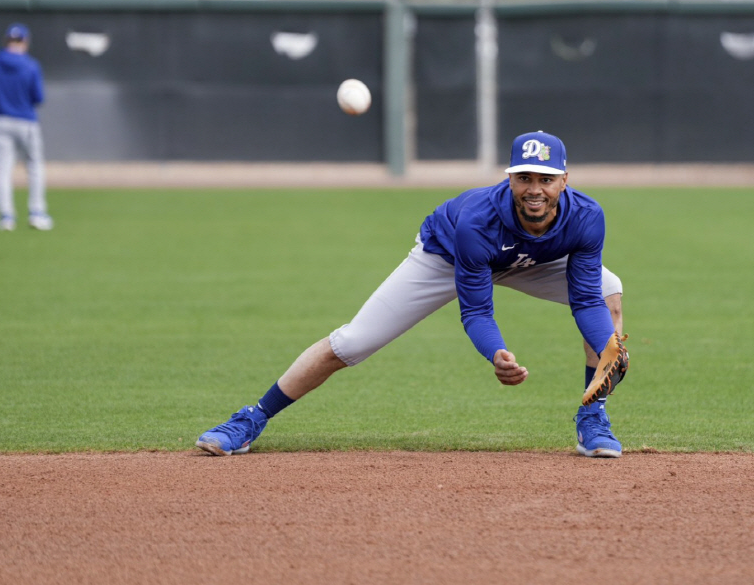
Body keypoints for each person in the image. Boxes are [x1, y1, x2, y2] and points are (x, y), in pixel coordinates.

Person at [196, 130, 628, 458]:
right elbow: (476, 310)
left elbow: (586, 297)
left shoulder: (587, 217)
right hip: (446, 258)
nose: (535, 188)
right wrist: (496, 352)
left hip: (528, 260)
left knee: (609, 291)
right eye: (524, 177)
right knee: (351, 342)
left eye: (547, 178)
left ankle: (593, 414)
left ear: (565, 180)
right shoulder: (477, 221)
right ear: (510, 178)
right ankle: (252, 418)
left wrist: (607, 347)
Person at [0, 23, 53, 231]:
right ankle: (36, 213)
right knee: (35, 167)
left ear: (6, 41)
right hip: (26, 121)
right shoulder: (31, 65)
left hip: (1, 120)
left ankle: (6, 217)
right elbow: (38, 97)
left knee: (3, 170)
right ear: (25, 42)